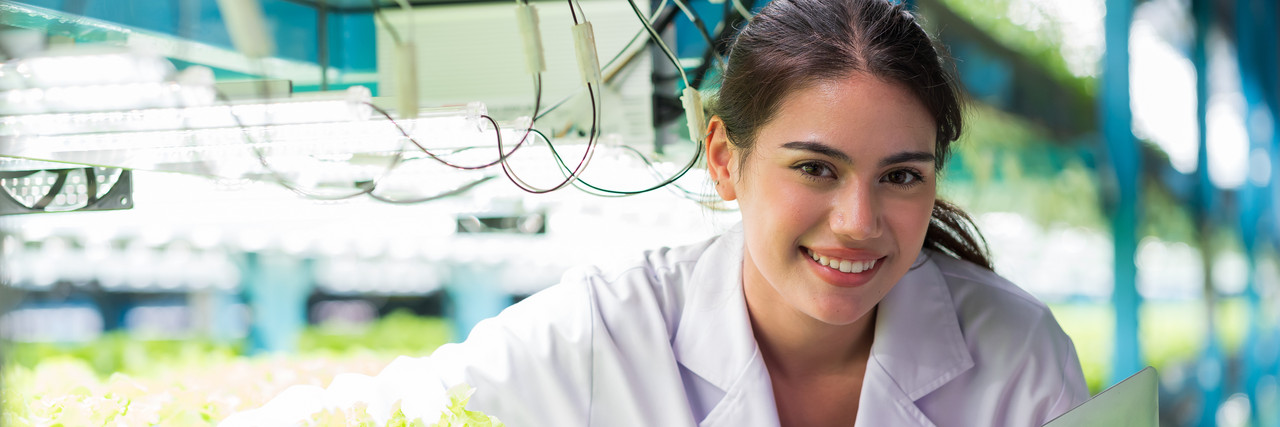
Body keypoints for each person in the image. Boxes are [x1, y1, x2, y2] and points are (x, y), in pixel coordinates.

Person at [222, 0, 1088, 425]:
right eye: (815, 167)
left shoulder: (1017, 356)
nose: (858, 220)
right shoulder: (611, 325)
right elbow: (391, 411)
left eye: (901, 176)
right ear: (724, 159)